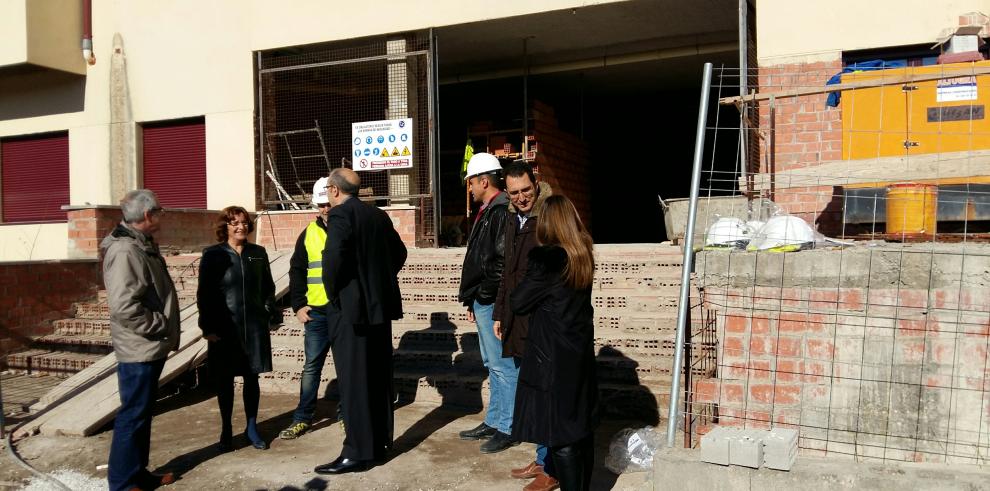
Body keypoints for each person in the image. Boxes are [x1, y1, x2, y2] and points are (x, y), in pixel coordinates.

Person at [314, 167, 407, 474]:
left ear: (334, 190)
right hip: (378, 311)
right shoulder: (378, 216)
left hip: (351, 312)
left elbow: (334, 258)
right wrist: (377, 281)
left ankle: (356, 452)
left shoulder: (341, 215)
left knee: (354, 383)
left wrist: (336, 292)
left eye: (328, 189)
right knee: (377, 379)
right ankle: (378, 446)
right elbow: (400, 252)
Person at [510, 195, 599, 491]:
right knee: (580, 429)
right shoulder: (581, 253)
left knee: (562, 436)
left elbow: (519, 302)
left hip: (551, 358)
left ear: (548, 223)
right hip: (578, 352)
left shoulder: (548, 259)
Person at [102, 189, 179, 491]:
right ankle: (122, 483)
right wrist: (158, 325)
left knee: (142, 414)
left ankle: (137, 474)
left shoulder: (139, 244)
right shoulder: (125, 251)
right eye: (159, 210)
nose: (161, 215)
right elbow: (124, 306)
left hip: (148, 346)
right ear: (148, 215)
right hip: (139, 348)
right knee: (133, 415)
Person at [492, 162, 558, 491]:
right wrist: (500, 314)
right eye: (514, 192)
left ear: (537, 184)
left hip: (543, 321)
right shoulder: (510, 216)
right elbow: (508, 270)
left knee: (546, 395)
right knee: (532, 391)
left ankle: (552, 467)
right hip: (518, 317)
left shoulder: (549, 217)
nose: (521, 198)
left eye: (526, 190)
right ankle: (543, 457)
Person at [197, 206, 280, 452]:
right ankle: (226, 428)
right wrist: (207, 327)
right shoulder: (213, 255)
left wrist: (268, 313)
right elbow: (205, 294)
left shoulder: (258, 253)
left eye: (244, 222)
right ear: (225, 227)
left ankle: (252, 427)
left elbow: (268, 287)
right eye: (234, 223)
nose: (241, 226)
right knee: (224, 381)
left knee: (251, 377)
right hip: (224, 329)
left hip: (253, 328)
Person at [456, 152, 517, 454]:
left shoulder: (501, 210)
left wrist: (483, 296)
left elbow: (499, 263)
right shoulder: (489, 210)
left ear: (483, 180)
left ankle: (508, 426)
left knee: (503, 366)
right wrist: (473, 299)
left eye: (470, 182)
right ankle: (495, 420)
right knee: (492, 364)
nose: (469, 188)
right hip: (484, 300)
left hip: (492, 302)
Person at [279, 177, 340, 440]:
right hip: (315, 313)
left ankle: (347, 414)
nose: (325, 209)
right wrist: (298, 305)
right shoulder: (308, 234)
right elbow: (296, 271)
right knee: (311, 367)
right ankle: (303, 418)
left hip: (342, 312)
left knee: (345, 367)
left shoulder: (346, 228)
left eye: (328, 204)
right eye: (321, 205)